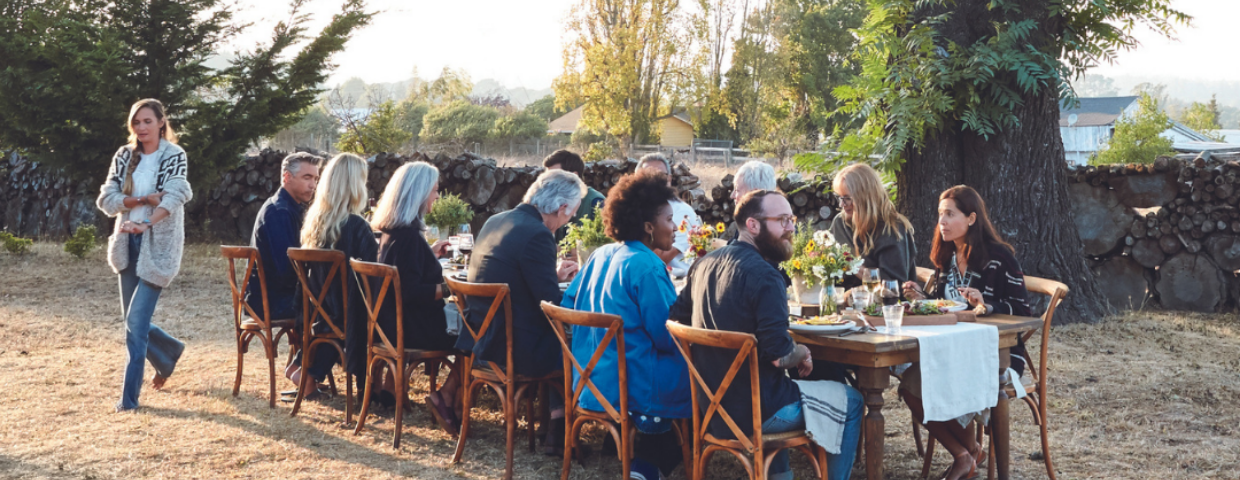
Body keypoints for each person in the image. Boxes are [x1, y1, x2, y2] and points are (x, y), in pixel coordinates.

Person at [669, 190, 863, 480]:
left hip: (709, 406)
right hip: (758, 412)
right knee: (852, 399)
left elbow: (675, 319)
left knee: (774, 388)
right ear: (753, 225)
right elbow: (778, 355)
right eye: (782, 220)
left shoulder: (704, 263)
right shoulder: (766, 276)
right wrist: (802, 352)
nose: (791, 228)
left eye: (791, 219)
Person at [561, 169, 690, 480]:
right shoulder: (647, 266)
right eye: (669, 220)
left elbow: (567, 306)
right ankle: (647, 467)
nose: (675, 228)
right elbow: (666, 337)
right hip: (633, 387)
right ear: (648, 227)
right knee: (705, 378)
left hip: (590, 381)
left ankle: (629, 450)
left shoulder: (600, 255)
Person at [900, 185, 1032, 480]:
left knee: (932, 378)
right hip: (949, 349)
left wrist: (985, 304)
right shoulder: (947, 256)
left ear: (971, 218)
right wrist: (921, 299)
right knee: (909, 384)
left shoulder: (1000, 257)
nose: (942, 222)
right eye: (939, 215)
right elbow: (945, 306)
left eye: (950, 214)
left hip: (996, 354)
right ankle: (966, 453)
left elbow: (1023, 311)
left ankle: (967, 457)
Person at [456, 169, 583, 446]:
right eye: (570, 215)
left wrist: (554, 276)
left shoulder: (495, 220)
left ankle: (551, 427)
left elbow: (515, 276)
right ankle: (557, 432)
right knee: (570, 341)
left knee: (555, 335)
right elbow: (551, 305)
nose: (567, 220)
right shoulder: (538, 234)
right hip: (511, 347)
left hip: (479, 335)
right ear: (562, 208)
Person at [96, 98, 191, 412]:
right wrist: (140, 199)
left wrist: (147, 221)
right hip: (127, 242)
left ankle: (129, 400)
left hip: (158, 246)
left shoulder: (174, 155)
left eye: (148, 121)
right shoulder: (124, 156)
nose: (141, 128)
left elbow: (177, 193)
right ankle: (169, 352)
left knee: (135, 323)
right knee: (132, 322)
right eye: (136, 122)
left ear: (161, 122)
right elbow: (107, 200)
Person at [370, 161, 462, 434]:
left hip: (388, 326)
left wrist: (429, 255)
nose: (437, 196)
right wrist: (451, 290)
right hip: (412, 330)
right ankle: (449, 401)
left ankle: (391, 385)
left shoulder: (392, 231)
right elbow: (411, 292)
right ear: (419, 193)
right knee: (474, 335)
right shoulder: (409, 236)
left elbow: (404, 273)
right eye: (434, 190)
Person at [295, 153, 378, 400]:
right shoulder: (356, 226)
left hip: (320, 311)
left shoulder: (314, 223)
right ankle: (379, 385)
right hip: (350, 314)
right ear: (354, 185)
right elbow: (373, 275)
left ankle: (304, 371)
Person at [246, 152, 320, 325]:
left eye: (316, 179)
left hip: (279, 296)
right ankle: (316, 352)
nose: (313, 185)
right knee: (338, 305)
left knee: (336, 301)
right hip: (271, 301)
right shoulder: (279, 212)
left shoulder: (292, 208)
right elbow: (287, 272)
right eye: (307, 178)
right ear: (287, 177)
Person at [829, 163, 916, 290]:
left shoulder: (891, 229)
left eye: (847, 198)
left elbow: (893, 288)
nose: (842, 204)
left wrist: (853, 266)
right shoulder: (840, 223)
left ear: (865, 196)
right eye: (839, 197)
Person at [636, 153, 699, 276]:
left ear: (669, 179)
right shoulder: (637, 208)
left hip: (677, 281)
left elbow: (660, 257)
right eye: (647, 175)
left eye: (660, 175)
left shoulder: (682, 212)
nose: (654, 180)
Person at [544, 149, 605, 241]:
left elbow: (607, 244)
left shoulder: (596, 203)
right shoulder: (547, 203)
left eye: (555, 176)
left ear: (573, 177)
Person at [724, 160, 778, 243]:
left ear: (754, 194)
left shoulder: (762, 233)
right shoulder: (778, 222)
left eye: (737, 190)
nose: (732, 196)